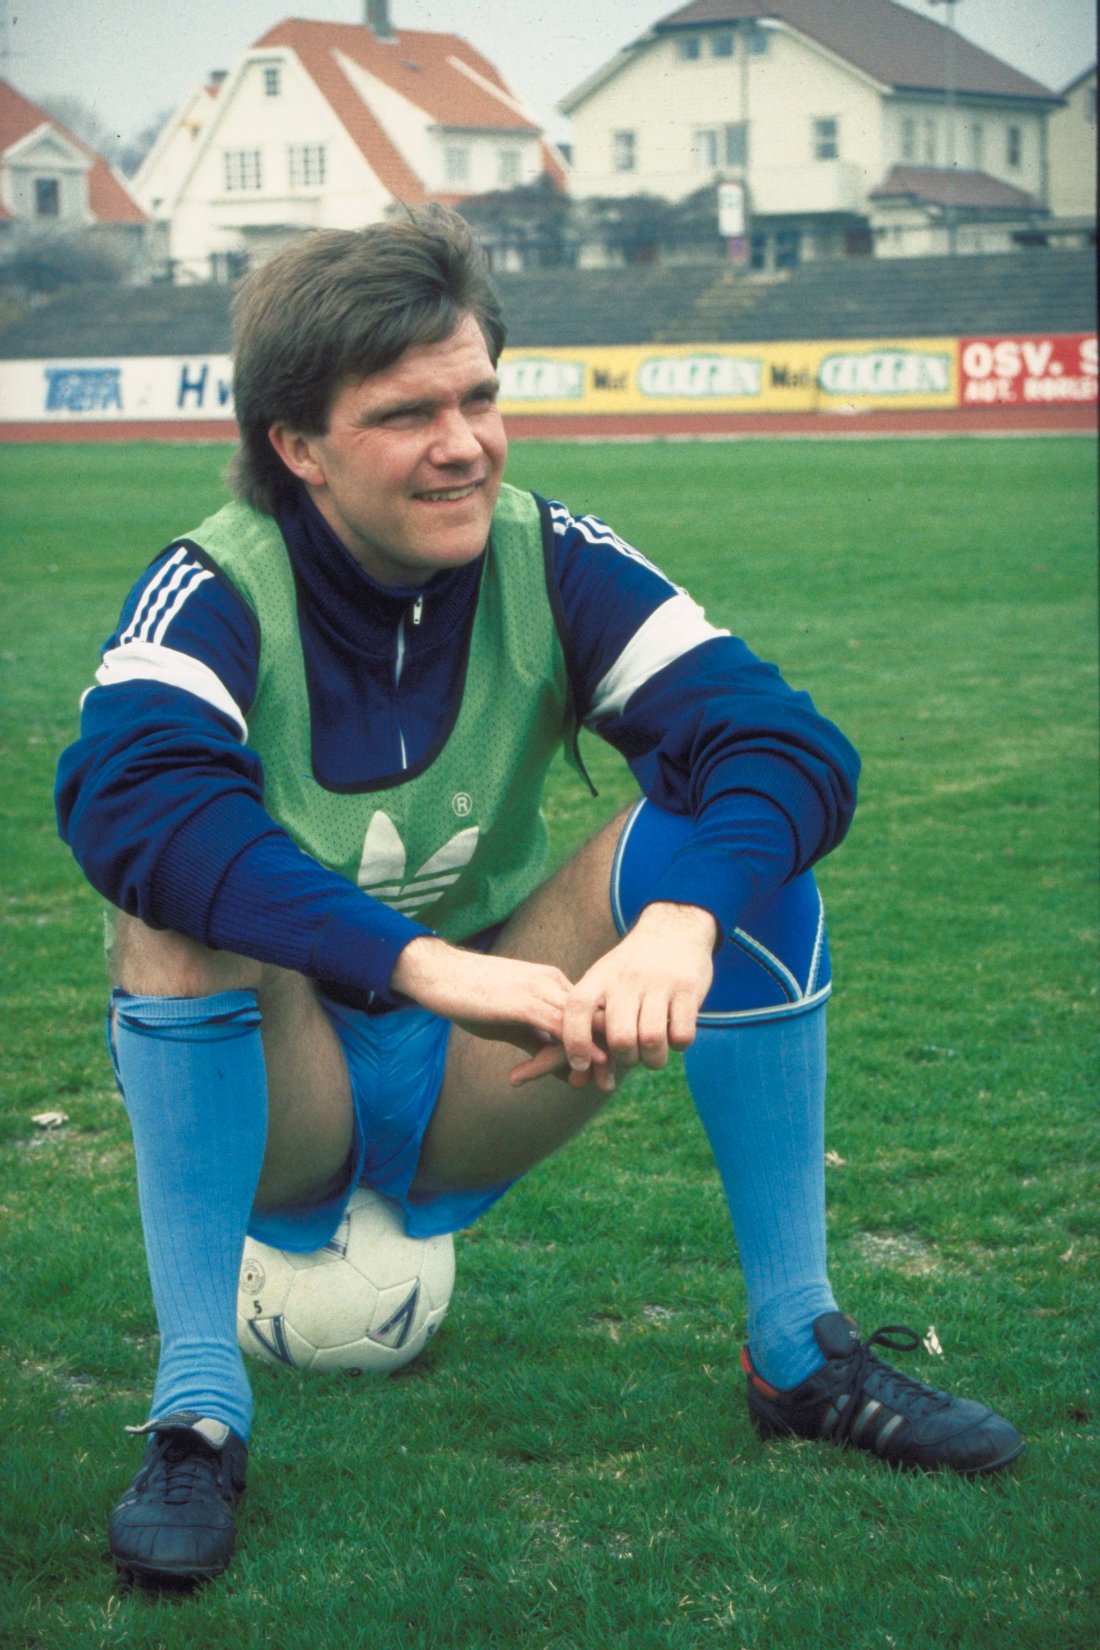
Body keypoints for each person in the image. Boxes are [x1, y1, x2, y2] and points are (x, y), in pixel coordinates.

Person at [56, 207, 1023, 1590]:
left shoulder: (551, 552)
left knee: (729, 841)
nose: (463, 441)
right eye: (404, 413)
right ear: (297, 444)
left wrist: (682, 921)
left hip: (491, 1065)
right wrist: (420, 963)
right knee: (168, 900)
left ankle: (800, 1348)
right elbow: (132, 806)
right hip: (289, 1082)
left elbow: (785, 744)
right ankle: (198, 1411)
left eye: (480, 396)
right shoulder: (210, 585)